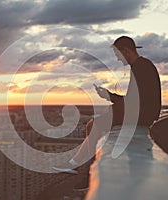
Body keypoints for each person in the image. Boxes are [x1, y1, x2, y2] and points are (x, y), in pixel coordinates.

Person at [54, 36, 161, 180]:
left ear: (126, 51)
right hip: (143, 113)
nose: (118, 59)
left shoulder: (140, 68)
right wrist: (110, 97)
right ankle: (77, 163)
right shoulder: (142, 65)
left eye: (118, 55)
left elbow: (133, 102)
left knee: (95, 124)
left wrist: (109, 96)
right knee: (94, 123)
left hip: (142, 115)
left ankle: (82, 167)